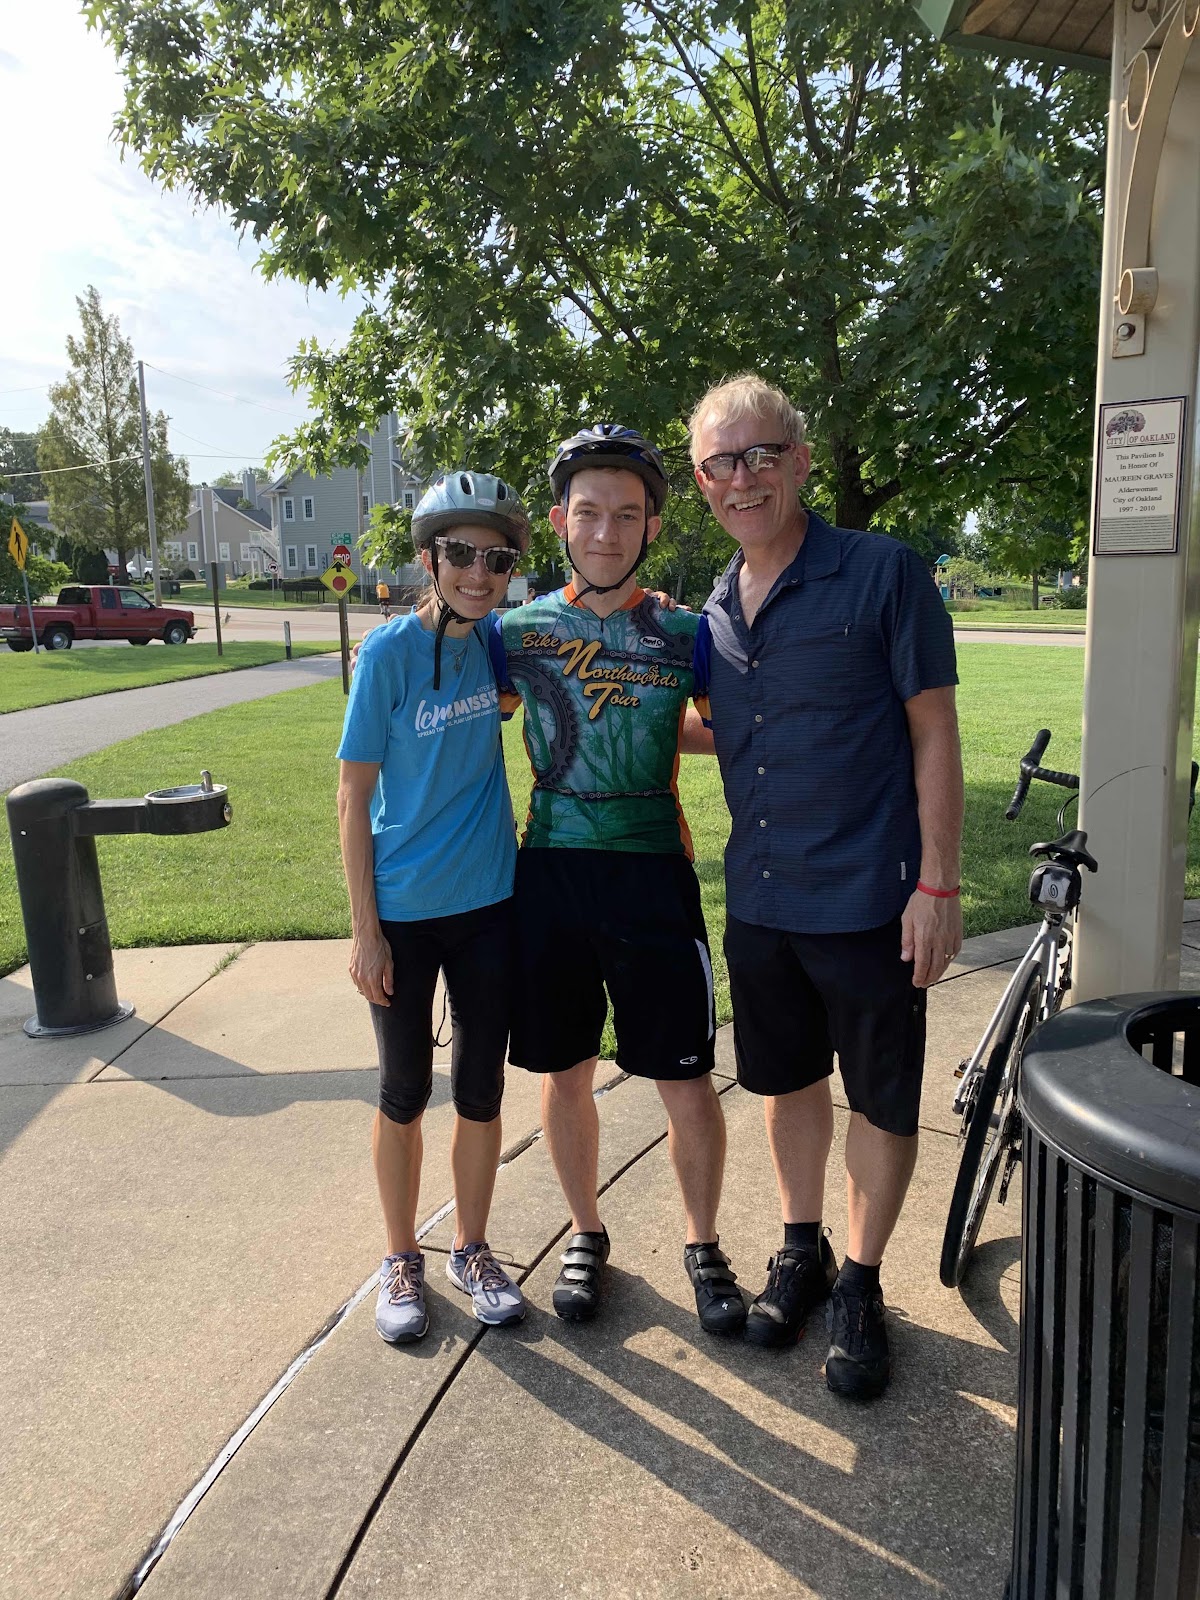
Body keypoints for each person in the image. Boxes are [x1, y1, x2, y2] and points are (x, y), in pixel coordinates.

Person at [689, 374, 962, 1399]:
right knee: (787, 1082)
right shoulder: (714, 610)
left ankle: (861, 1281)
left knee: (880, 1099)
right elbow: (727, 725)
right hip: (761, 901)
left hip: (870, 899)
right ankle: (800, 1250)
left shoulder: (883, 573)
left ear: (800, 461)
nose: (744, 477)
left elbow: (933, 730)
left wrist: (939, 883)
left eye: (762, 454)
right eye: (721, 462)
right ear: (703, 482)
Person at [489, 425, 746, 1335]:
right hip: (551, 873)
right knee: (564, 1072)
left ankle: (703, 1244)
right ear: (560, 521)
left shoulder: (686, 634)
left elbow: (732, 730)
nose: (606, 532)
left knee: (685, 1078)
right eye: (589, 512)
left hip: (652, 871)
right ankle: (585, 1233)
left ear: (652, 528)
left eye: (627, 515)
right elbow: (455, 721)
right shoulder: (514, 634)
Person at [337, 470, 530, 1344]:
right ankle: (399, 1256)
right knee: (405, 1090)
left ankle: (472, 1248)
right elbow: (352, 798)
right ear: (429, 559)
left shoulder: (499, 643)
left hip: (489, 902)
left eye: (497, 559)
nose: (479, 574)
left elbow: (584, 624)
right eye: (461, 554)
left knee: (482, 1087)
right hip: (405, 910)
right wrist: (366, 932)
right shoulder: (385, 657)